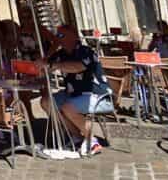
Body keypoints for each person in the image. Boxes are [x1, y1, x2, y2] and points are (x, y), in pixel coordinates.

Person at [37, 25, 112, 156]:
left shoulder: (86, 51)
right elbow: (45, 66)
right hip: (72, 94)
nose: (58, 38)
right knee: (46, 102)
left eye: (61, 36)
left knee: (68, 108)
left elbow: (78, 67)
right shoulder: (61, 54)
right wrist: (43, 62)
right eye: (57, 36)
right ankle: (76, 136)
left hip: (97, 95)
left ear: (74, 36)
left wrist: (54, 65)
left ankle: (92, 140)